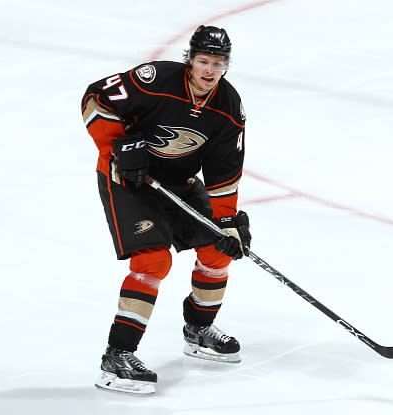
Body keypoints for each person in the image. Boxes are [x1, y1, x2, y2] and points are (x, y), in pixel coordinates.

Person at [80, 25, 252, 395]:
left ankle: (199, 331)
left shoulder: (228, 107)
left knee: (218, 250)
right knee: (153, 262)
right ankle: (117, 356)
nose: (209, 70)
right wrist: (118, 150)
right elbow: (96, 99)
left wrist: (228, 222)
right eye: (203, 61)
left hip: (180, 183)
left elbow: (225, 170)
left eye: (218, 63)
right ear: (189, 60)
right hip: (127, 182)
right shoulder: (155, 79)